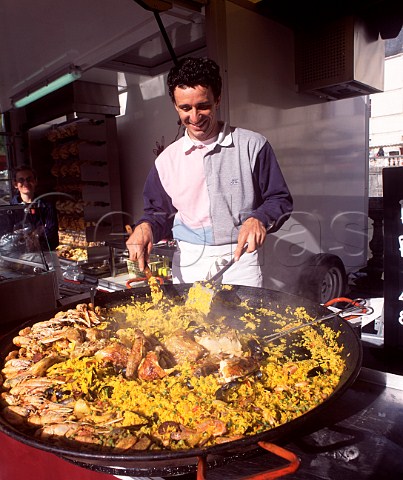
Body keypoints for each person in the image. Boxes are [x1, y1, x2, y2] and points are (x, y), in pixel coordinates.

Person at [126, 56, 293, 287]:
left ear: (218, 100)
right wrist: (145, 228)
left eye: (202, 106)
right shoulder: (166, 160)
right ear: (175, 105)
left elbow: (280, 199)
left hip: (239, 259)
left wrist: (259, 218)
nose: (194, 117)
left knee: (244, 323)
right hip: (189, 262)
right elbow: (157, 213)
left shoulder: (253, 145)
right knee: (188, 323)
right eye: (185, 108)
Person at [10, 165, 59, 251]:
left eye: (29, 179)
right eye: (21, 180)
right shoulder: (11, 209)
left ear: (35, 181)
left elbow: (51, 230)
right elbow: (9, 234)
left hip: (46, 253)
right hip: (20, 255)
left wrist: (31, 238)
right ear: (15, 184)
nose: (26, 183)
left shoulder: (47, 205)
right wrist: (37, 234)